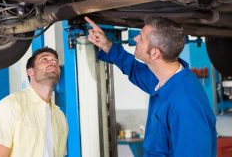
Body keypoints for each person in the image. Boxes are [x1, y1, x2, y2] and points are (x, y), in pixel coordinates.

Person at [85, 16, 217, 157]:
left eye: (141, 38)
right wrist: (107, 45)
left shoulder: (185, 104)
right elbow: (134, 69)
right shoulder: (165, 79)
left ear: (154, 53)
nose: (135, 39)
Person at [0, 47, 68, 157]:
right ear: (30, 71)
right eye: (45, 59)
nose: (53, 62)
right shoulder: (9, 106)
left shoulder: (60, 117)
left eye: (55, 61)